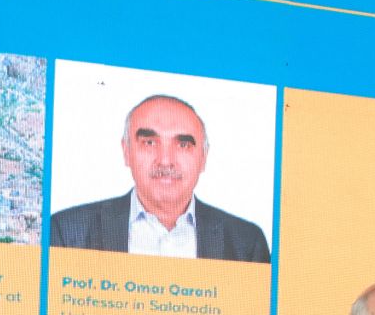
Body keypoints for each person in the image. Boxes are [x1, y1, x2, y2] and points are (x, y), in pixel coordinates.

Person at [49, 94, 272, 263]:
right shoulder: (67, 232)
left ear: (203, 158)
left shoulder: (247, 243)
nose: (165, 161)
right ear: (126, 152)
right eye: (149, 143)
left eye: (183, 145)